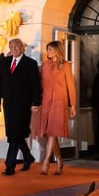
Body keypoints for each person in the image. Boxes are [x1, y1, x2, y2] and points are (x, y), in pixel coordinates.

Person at [0, 38, 41, 176]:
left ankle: (9, 166)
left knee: (15, 134)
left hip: (23, 105)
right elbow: (0, 82)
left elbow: (36, 86)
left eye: (16, 46)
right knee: (15, 133)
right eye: (11, 46)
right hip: (8, 104)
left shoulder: (30, 64)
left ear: (22, 48)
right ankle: (28, 157)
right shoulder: (5, 62)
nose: (14, 49)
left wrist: (36, 103)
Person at [33, 40, 77, 175]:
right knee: (51, 133)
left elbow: (70, 86)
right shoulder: (44, 65)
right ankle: (60, 161)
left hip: (59, 102)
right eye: (48, 49)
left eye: (51, 49)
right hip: (46, 102)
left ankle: (46, 161)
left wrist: (73, 105)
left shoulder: (66, 66)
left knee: (52, 132)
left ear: (58, 50)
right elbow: (39, 85)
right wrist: (36, 102)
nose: (48, 52)